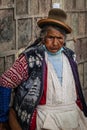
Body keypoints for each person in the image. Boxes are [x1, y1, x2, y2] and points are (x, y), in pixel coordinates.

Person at [0, 8, 87, 130]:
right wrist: (3, 117)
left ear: (64, 39)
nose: (55, 43)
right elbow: (5, 81)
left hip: (72, 118)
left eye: (60, 38)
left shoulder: (70, 56)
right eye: (51, 37)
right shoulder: (30, 58)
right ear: (43, 37)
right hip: (44, 120)